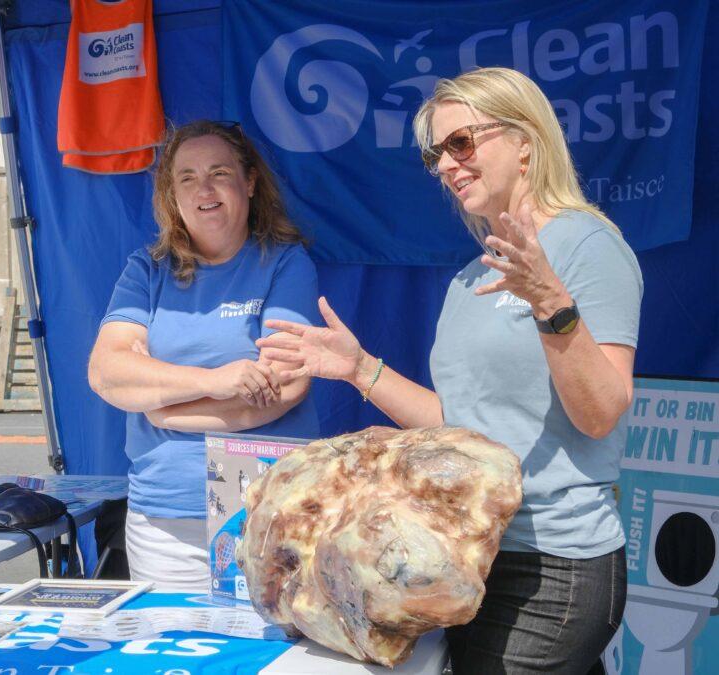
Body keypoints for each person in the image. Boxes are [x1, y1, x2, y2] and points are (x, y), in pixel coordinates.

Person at [258, 67, 640, 674]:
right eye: (437, 153)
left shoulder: (587, 246)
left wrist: (551, 304)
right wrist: (359, 369)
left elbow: (601, 414)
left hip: (550, 565)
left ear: (525, 141)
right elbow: (456, 431)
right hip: (461, 562)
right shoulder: (470, 278)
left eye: (461, 142)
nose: (447, 165)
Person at [88, 120, 321, 591]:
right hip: (164, 521)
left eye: (219, 173)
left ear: (250, 182)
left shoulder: (285, 263)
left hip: (265, 510)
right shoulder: (146, 271)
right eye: (187, 178)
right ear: (171, 194)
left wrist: (162, 406)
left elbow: (286, 385)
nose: (204, 189)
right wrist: (215, 381)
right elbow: (107, 373)